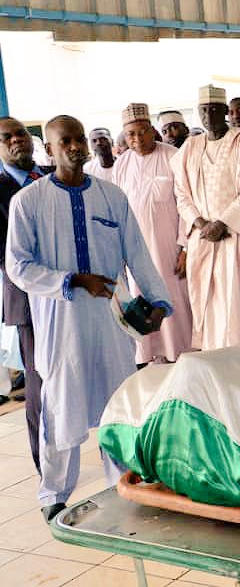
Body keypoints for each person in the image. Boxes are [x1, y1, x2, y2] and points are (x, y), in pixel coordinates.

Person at [6, 115, 171, 521]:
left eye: (79, 138)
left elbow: (137, 252)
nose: (75, 146)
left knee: (119, 401)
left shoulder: (111, 196)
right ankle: (54, 493)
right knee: (61, 405)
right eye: (65, 141)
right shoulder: (28, 201)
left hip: (111, 320)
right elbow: (19, 267)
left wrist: (158, 302)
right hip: (60, 321)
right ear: (49, 149)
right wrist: (73, 280)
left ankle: (125, 483)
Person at [172, 85, 240, 351]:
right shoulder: (190, 147)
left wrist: (223, 222)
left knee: (239, 299)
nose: (209, 116)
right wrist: (200, 223)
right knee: (209, 298)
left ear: (225, 111)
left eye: (215, 110)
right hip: (203, 237)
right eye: (204, 110)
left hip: (236, 235)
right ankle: (215, 353)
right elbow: (181, 193)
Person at [111, 103, 195, 365]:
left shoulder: (173, 156)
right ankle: (152, 357)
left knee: (175, 300)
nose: (137, 139)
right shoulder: (121, 165)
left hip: (170, 248)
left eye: (142, 132)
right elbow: (118, 211)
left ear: (152, 131)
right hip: (136, 251)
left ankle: (183, 355)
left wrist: (185, 248)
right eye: (131, 134)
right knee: (143, 298)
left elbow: (186, 203)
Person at [0, 118, 51, 472]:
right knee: (39, 380)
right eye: (7, 137)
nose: (17, 139)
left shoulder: (53, 176)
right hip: (28, 298)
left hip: (74, 292)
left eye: (21, 133)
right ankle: (45, 462)